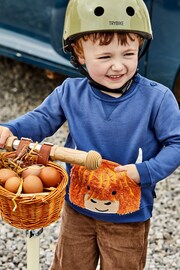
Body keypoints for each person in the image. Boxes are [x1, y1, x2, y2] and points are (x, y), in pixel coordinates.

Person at [0, 0, 180, 269]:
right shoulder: (70, 92)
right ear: (80, 54)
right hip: (77, 209)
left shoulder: (157, 98)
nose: (118, 66)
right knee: (69, 264)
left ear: (140, 48)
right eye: (105, 57)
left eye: (128, 54)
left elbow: (176, 143)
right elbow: (42, 119)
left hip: (128, 216)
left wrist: (145, 171)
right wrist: (11, 129)